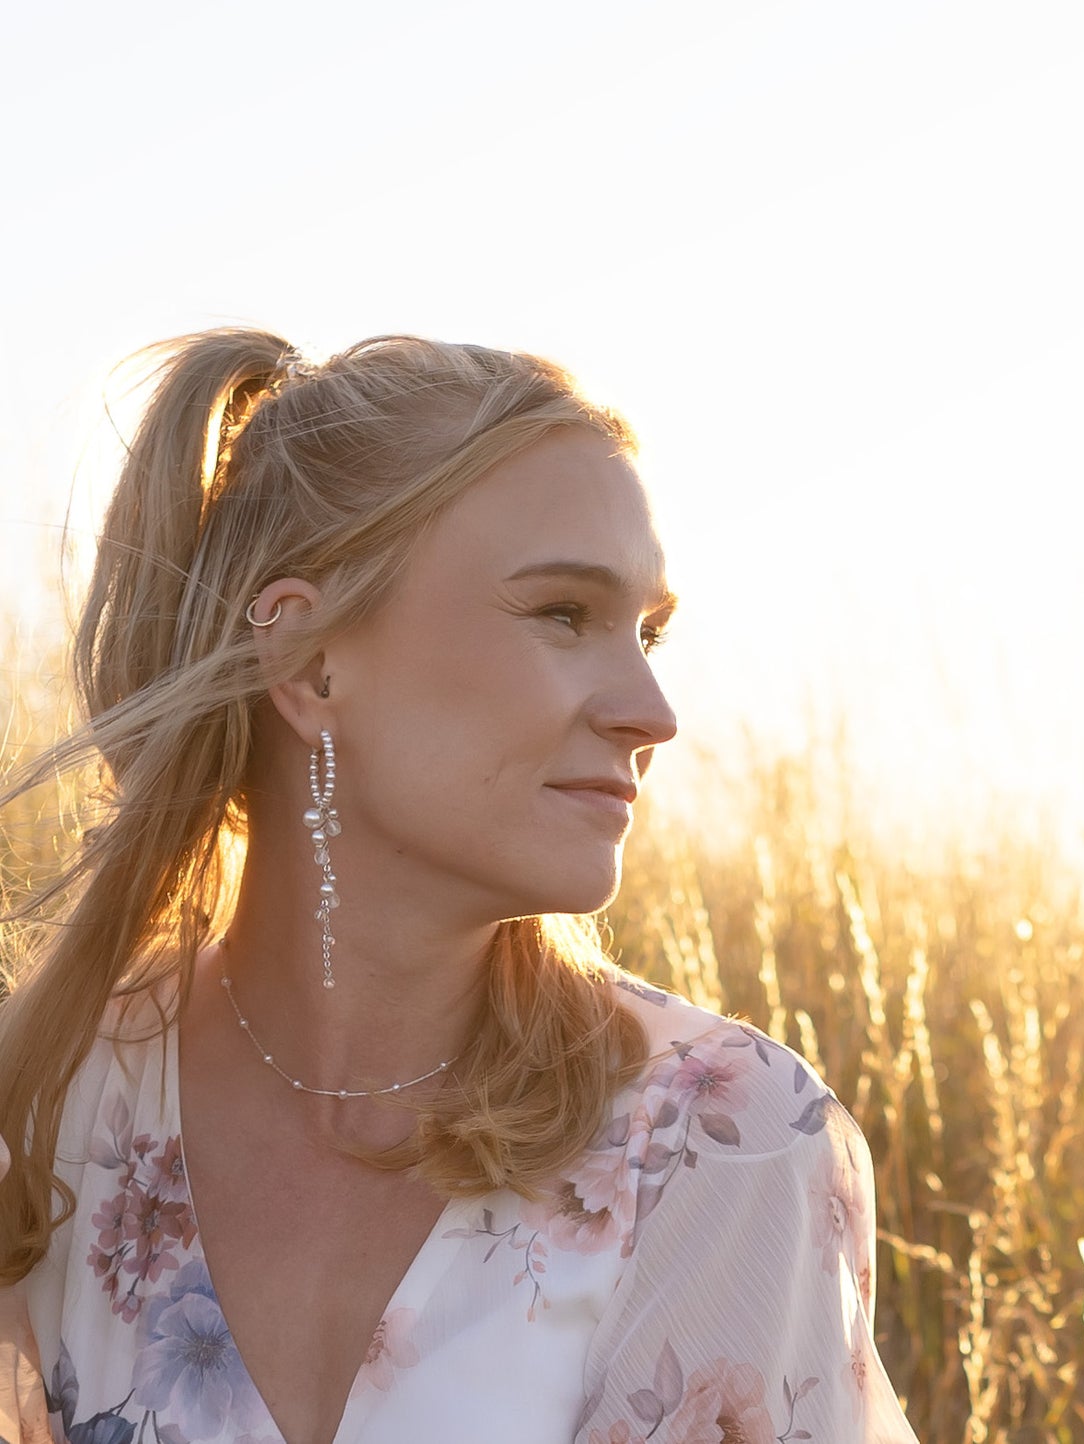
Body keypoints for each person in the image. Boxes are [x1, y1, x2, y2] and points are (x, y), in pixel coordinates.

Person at [0, 329, 919, 1444]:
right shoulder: (46, 1110)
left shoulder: (718, 1147)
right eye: (563, 615)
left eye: (648, 632)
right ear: (308, 660)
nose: (652, 712)